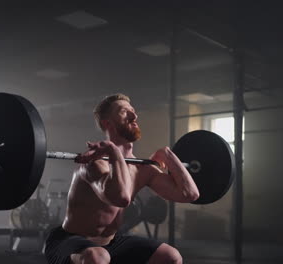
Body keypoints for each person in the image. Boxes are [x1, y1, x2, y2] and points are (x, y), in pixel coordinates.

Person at [44, 93, 200, 264]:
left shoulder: (143, 169)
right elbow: (121, 197)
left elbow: (189, 194)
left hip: (110, 243)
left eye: (133, 111)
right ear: (107, 123)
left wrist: (169, 156)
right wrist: (113, 151)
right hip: (69, 241)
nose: (134, 116)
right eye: (124, 112)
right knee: (97, 257)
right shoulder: (94, 164)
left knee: (171, 256)